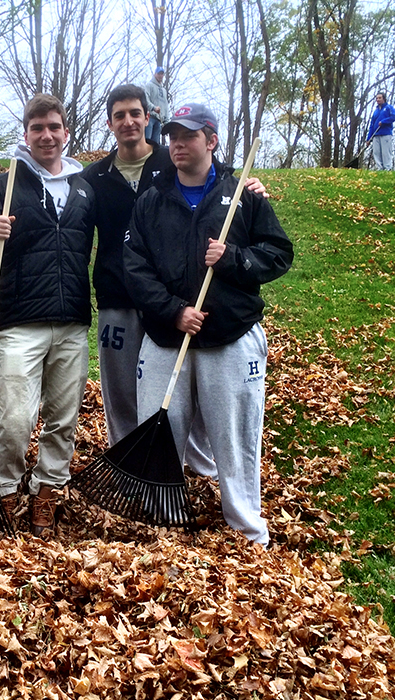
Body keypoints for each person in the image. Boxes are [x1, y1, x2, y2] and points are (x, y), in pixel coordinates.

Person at [123, 103, 293, 546]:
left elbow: (278, 253)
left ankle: (246, 527)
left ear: (211, 141)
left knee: (234, 437)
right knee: (161, 432)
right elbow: (135, 268)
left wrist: (235, 258)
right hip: (165, 338)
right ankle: (162, 520)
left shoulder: (244, 196)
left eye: (189, 136)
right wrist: (174, 310)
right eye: (173, 136)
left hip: (229, 339)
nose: (178, 144)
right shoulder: (152, 200)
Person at [82, 84, 268, 447]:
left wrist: (249, 186)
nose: (128, 121)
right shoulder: (95, 177)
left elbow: (217, 179)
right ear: (110, 123)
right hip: (117, 297)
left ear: (148, 118)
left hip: (174, 298)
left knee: (178, 384)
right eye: (119, 115)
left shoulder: (172, 160)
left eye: (135, 113)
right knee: (120, 389)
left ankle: (191, 462)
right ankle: (127, 460)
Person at [0, 93, 96, 537]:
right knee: (16, 417)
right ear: (26, 134)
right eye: (37, 128)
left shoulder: (83, 187)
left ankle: (47, 492)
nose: (46, 135)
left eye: (54, 127)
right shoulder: (3, 185)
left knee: (64, 416)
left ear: (66, 131)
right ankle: (3, 489)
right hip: (20, 319)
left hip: (73, 318)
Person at [366, 93, 395, 171]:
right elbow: (372, 125)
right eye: (377, 98)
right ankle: (380, 168)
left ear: (384, 99)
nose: (378, 99)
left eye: (379, 98)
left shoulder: (388, 108)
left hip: (386, 133)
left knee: (385, 152)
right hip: (376, 134)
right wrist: (369, 138)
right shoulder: (376, 111)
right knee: (376, 152)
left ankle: (387, 168)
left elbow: (394, 117)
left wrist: (384, 122)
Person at [144, 66, 169, 144]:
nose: (160, 76)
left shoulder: (164, 90)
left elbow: (165, 106)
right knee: (147, 141)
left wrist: (166, 121)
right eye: (159, 74)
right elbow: (145, 99)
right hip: (150, 117)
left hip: (159, 120)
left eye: (162, 74)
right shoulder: (149, 85)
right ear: (155, 74)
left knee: (156, 144)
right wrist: (153, 108)